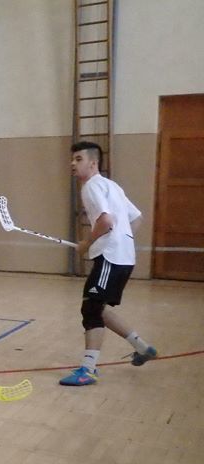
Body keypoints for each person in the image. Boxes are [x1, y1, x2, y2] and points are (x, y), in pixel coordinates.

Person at [59, 141, 157, 386]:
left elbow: (106, 221)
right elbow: (137, 218)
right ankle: (142, 348)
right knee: (98, 307)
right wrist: (122, 241)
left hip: (110, 257)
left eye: (79, 159)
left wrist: (87, 243)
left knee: (91, 309)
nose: (73, 163)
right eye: (72, 159)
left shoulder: (91, 186)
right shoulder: (112, 186)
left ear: (93, 163)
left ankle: (88, 370)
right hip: (123, 258)